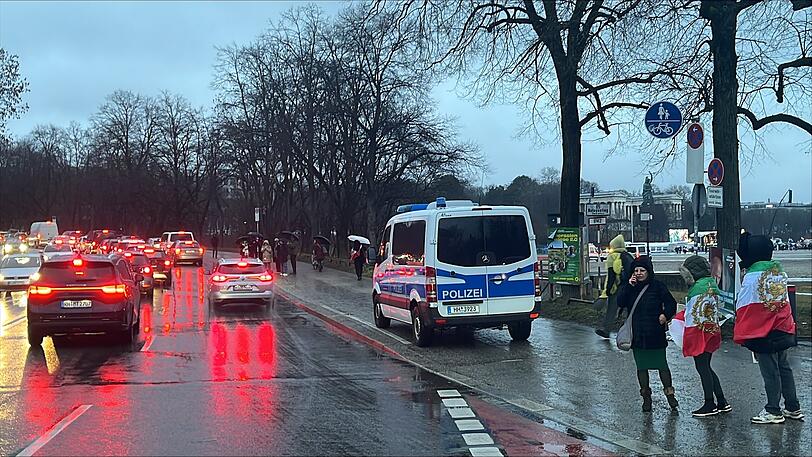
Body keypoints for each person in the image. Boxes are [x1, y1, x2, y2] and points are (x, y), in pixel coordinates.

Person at [734, 232, 801, 424]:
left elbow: (744, 304)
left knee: (770, 371)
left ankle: (773, 410)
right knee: (784, 367)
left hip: (763, 331)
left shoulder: (752, 276)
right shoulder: (777, 272)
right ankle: (792, 407)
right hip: (782, 327)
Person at [617, 255, 678, 412]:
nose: (639, 273)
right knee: (642, 368)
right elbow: (620, 302)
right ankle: (646, 398)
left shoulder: (658, 286)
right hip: (638, 335)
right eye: (636, 270)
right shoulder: (630, 287)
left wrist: (665, 315)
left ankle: (670, 395)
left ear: (648, 271)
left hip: (655, 334)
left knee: (662, 366)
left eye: (642, 270)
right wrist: (628, 286)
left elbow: (671, 303)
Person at [675, 255, 730, 417]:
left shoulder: (698, 289)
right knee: (707, 366)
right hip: (711, 330)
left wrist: (686, 336)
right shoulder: (710, 284)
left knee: (702, 367)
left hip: (700, 333)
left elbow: (693, 316)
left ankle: (709, 403)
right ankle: (721, 401)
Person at [596, 234, 635, 338]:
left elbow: (611, 275)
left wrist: (608, 290)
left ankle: (606, 330)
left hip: (618, 287)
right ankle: (630, 331)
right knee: (629, 309)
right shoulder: (628, 255)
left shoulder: (612, 256)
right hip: (631, 286)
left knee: (611, 308)